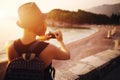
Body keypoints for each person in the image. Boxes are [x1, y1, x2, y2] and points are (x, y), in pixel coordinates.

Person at [5, 2, 70, 80]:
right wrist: (60, 41)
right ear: (39, 23)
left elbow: (26, 47)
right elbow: (67, 55)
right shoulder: (49, 49)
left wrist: (40, 39)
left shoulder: (10, 46)